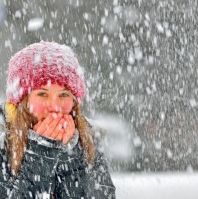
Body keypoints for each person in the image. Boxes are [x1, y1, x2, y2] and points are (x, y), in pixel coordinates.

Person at [0, 41, 116, 198]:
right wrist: (41, 155)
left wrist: (70, 156)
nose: (55, 106)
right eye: (42, 94)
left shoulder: (87, 142)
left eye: (63, 95)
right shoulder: (4, 146)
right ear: (22, 102)